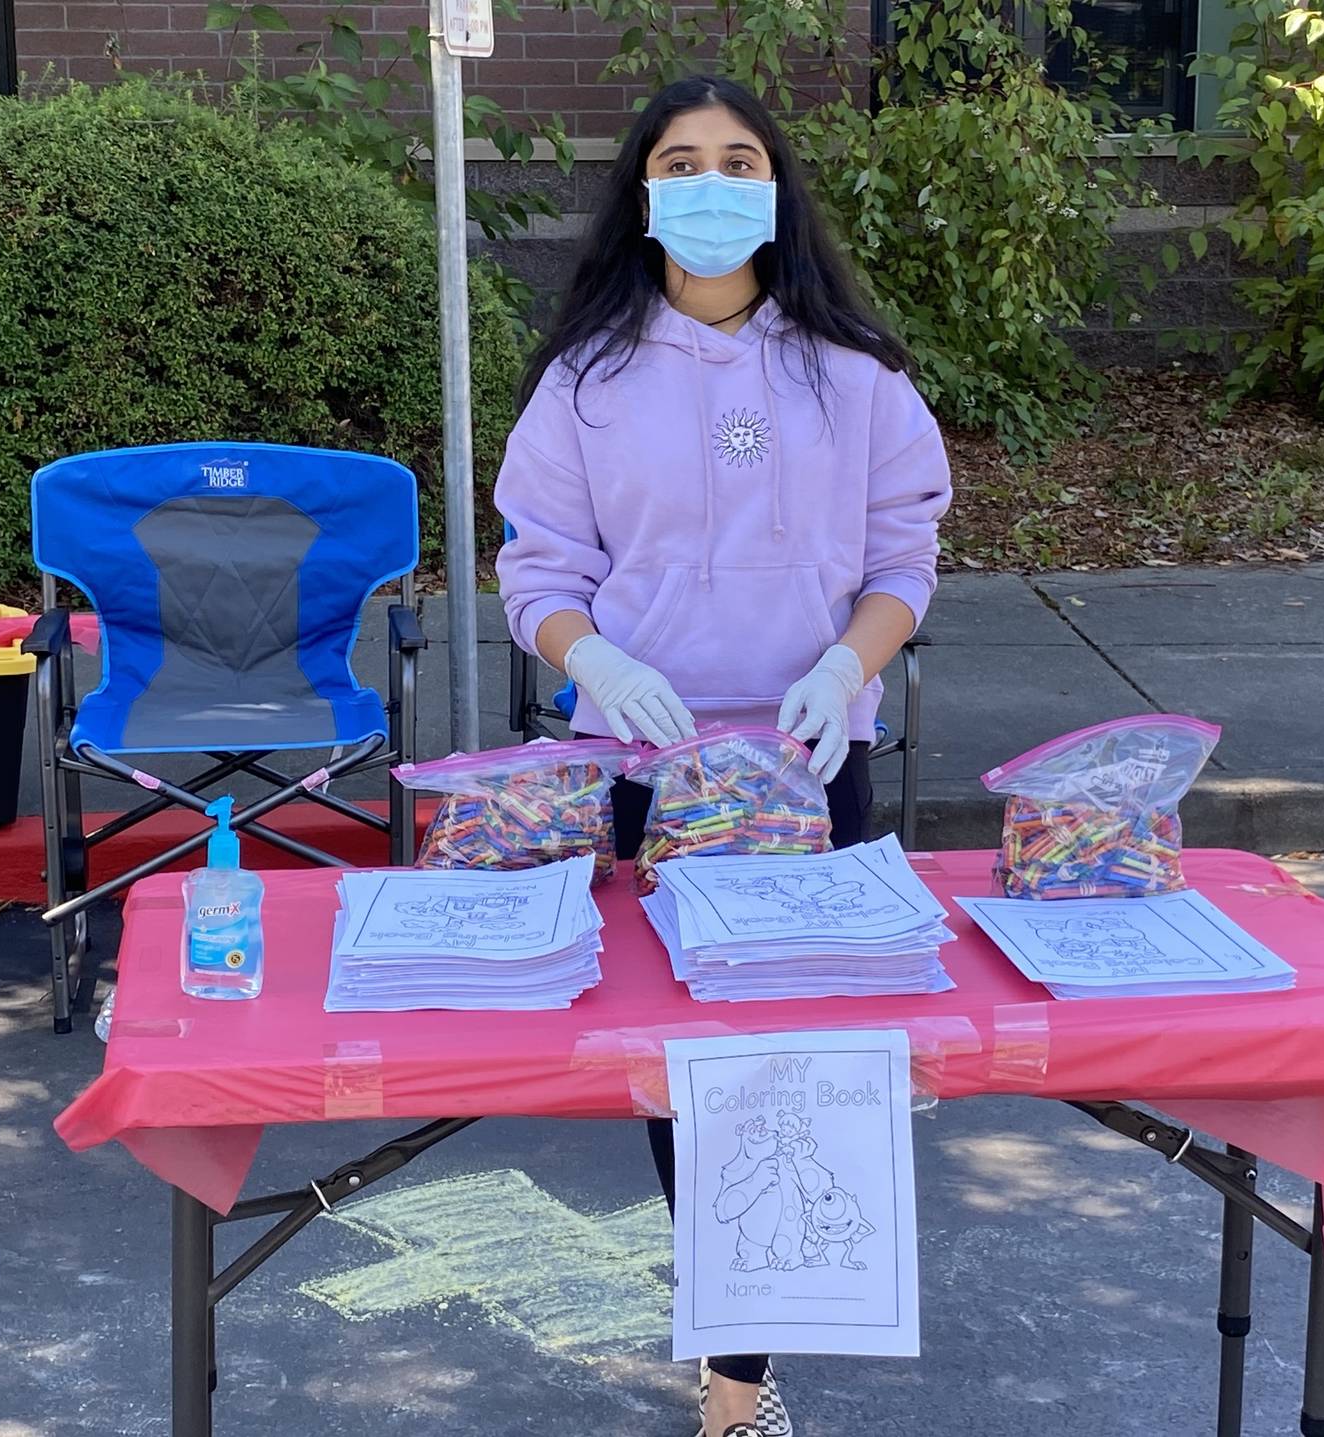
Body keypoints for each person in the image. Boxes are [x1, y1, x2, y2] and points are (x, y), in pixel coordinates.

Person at [494, 74, 951, 1437]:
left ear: (774, 189)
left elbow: (901, 559)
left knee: (806, 1068)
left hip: (812, 768)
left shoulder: (854, 375)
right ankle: (733, 1361)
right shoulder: (585, 381)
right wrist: (594, 661)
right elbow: (537, 572)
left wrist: (845, 663)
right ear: (644, 196)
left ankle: (740, 1382)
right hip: (648, 771)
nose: (709, 182)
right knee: (685, 1070)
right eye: (681, 161)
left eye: (737, 159)